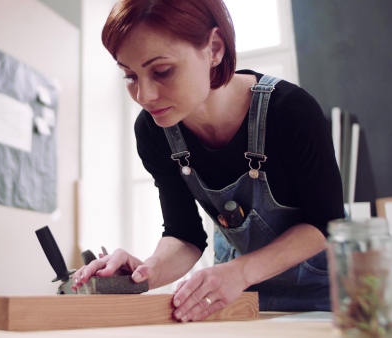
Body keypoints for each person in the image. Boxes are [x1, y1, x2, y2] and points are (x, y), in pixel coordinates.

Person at [73, 0, 345, 321]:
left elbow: (325, 225)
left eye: (162, 71)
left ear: (214, 48)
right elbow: (184, 235)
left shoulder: (291, 111)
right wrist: (143, 274)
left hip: (325, 301)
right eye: (130, 76)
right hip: (240, 303)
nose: (144, 96)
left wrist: (240, 272)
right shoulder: (154, 131)